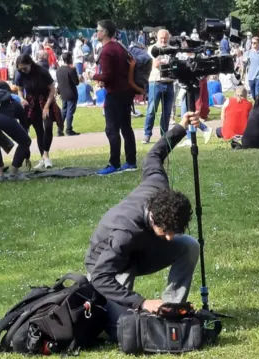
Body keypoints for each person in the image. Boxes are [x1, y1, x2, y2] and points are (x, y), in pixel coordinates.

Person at [85, 111, 202, 341]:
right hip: (108, 265)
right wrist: (142, 302)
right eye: (166, 231)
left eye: (174, 231)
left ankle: (170, 310)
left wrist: (180, 127)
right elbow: (100, 276)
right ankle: (118, 315)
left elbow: (154, 155)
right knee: (121, 330)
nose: (170, 237)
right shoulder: (125, 233)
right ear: (154, 219)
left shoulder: (158, 185)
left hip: (140, 251)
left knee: (189, 246)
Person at [92, 19, 137, 175]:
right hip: (126, 91)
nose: (96, 32)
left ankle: (114, 163)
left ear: (104, 32)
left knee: (112, 129)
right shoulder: (119, 46)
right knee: (126, 127)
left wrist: (94, 75)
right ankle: (131, 161)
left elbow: (108, 76)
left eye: (98, 30)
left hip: (115, 93)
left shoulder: (106, 50)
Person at [14, 54, 60, 169]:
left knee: (48, 126)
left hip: (45, 100)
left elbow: (52, 89)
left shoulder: (42, 72)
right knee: (39, 130)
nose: (23, 71)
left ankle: (46, 154)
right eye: (20, 69)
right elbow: (19, 90)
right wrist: (22, 99)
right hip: (31, 103)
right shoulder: (20, 74)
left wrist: (47, 106)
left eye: (25, 68)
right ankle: (43, 157)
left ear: (30, 63)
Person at [144, 29, 175, 144]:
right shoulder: (153, 49)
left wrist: (165, 64)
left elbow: (174, 64)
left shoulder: (171, 49)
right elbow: (155, 64)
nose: (163, 40)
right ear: (157, 37)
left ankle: (164, 135)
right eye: (161, 38)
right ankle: (147, 134)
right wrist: (167, 64)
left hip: (169, 82)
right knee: (152, 109)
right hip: (155, 82)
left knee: (166, 112)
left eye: (165, 38)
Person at [0, 82, 31, 181]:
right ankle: (13, 174)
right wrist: (26, 153)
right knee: (25, 141)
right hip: (5, 119)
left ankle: (0, 175)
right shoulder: (13, 100)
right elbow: (24, 128)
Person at [56, 52, 80, 136]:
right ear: (70, 59)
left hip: (63, 93)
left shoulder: (58, 70)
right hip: (71, 93)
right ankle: (69, 129)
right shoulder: (71, 70)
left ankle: (59, 130)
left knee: (64, 111)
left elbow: (59, 82)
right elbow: (76, 82)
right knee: (70, 112)